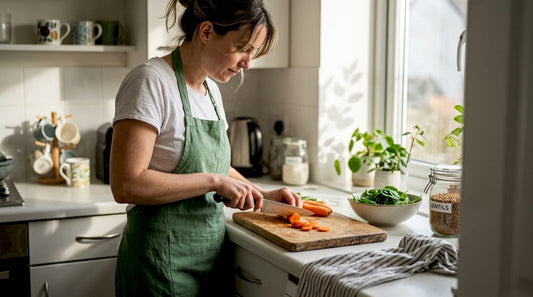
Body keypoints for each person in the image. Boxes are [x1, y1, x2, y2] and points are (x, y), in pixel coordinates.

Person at [110, 0, 303, 296]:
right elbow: (126, 184)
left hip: (210, 260)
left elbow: (214, 165)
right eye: (243, 48)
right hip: (160, 263)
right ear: (207, 31)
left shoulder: (210, 90)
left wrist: (262, 196)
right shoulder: (150, 81)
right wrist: (213, 182)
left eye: (253, 53)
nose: (247, 63)